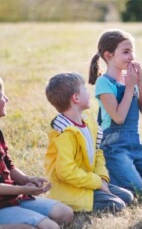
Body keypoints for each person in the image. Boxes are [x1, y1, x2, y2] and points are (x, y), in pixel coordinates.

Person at [89, 29, 142, 193]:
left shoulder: (130, 82)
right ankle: (107, 175)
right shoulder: (103, 83)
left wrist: (139, 84)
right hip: (114, 147)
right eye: (126, 52)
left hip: (136, 145)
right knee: (137, 190)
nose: (132, 57)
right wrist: (130, 87)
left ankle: (127, 172)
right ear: (108, 55)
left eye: (132, 52)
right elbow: (118, 118)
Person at [45, 73, 134, 212]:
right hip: (70, 191)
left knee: (128, 197)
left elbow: (98, 153)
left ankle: (100, 192)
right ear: (76, 98)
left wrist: (102, 179)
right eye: (85, 89)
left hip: (88, 183)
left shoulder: (89, 123)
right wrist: (97, 183)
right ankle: (74, 204)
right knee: (118, 205)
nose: (89, 92)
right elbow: (66, 171)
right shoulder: (64, 133)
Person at [0, 77, 74, 228]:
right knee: (49, 227)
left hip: (12, 197)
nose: (6, 98)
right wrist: (22, 189)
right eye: (1, 94)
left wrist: (27, 179)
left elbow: (8, 164)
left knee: (65, 214)